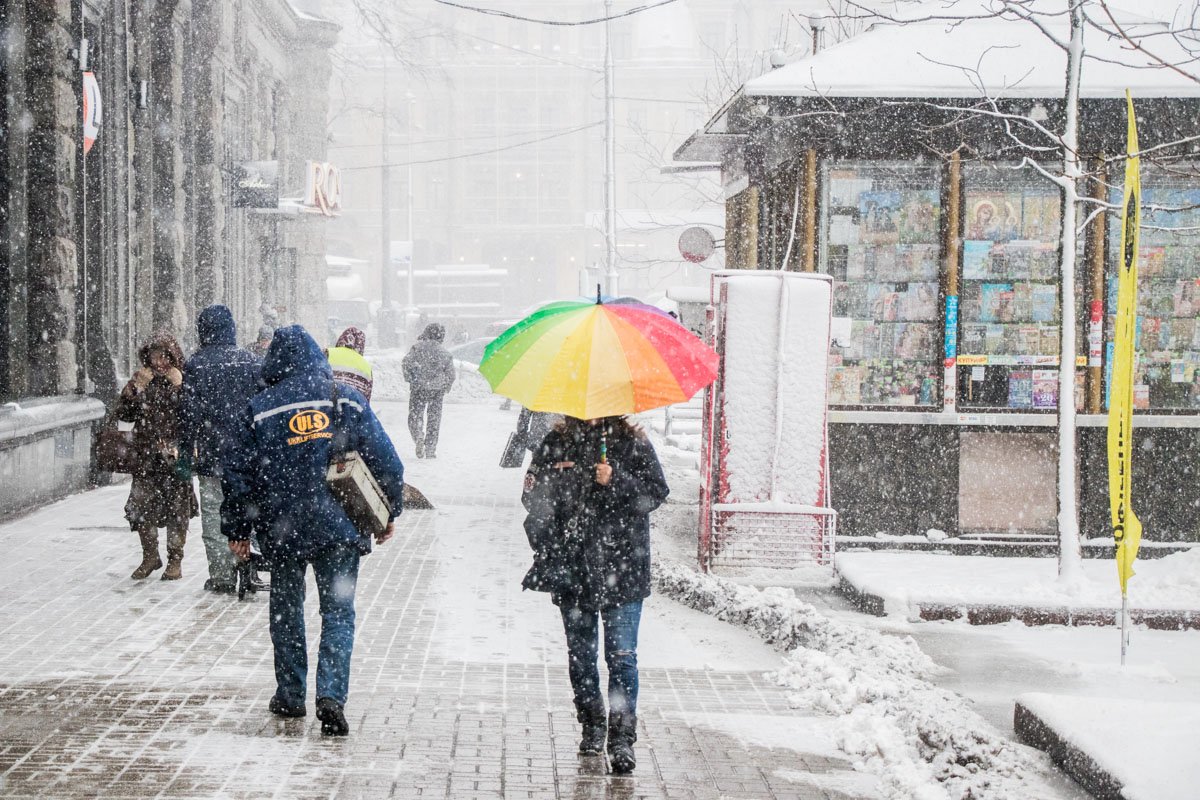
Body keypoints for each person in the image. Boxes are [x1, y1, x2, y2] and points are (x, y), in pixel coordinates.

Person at [221, 325, 405, 736]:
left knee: (286, 612)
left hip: (282, 529)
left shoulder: (261, 408)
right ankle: (331, 695)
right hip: (339, 527)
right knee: (338, 612)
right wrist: (389, 510)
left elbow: (238, 475)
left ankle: (290, 695)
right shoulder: (346, 401)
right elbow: (387, 461)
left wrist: (237, 528)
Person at [520, 416, 669, 774]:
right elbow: (531, 497)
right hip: (574, 570)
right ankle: (591, 724)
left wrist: (615, 479)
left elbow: (655, 493)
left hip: (624, 567)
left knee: (621, 656)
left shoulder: (633, 442)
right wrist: (567, 482)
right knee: (582, 657)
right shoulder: (556, 442)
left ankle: (621, 738)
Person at [179, 305, 264, 595]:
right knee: (249, 511)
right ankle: (249, 566)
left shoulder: (196, 365)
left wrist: (185, 450)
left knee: (215, 516)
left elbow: (188, 414)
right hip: (247, 456)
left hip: (213, 455)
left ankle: (222, 575)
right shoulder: (251, 362)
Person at [117, 332, 198, 581]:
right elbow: (123, 415)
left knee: (177, 510)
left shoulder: (184, 379)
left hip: (175, 458)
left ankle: (175, 560)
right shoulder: (142, 380)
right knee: (141, 508)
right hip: (146, 458)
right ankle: (150, 556)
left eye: (165, 356)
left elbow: (194, 413)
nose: (160, 362)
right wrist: (134, 389)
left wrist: (180, 386)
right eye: (155, 356)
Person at [402, 323, 456, 459]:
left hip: (418, 387)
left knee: (415, 415)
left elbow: (406, 363)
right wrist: (446, 386)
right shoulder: (445, 353)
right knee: (434, 419)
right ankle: (431, 448)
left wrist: (410, 378)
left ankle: (418, 436)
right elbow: (451, 374)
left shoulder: (417, 348)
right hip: (437, 390)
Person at [327, 326, 374, 403]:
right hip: (352, 410)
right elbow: (366, 402)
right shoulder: (366, 366)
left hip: (325, 407)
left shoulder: (327, 353)